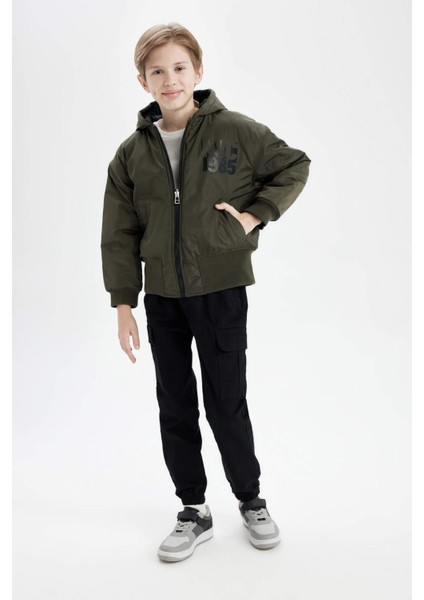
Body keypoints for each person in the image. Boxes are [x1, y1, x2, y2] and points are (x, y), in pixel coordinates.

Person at [101, 22, 311, 563]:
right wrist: (123, 302)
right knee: (175, 403)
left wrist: (252, 217)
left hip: (220, 288)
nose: (169, 80)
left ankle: (251, 499)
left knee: (226, 400)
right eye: (157, 71)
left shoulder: (235, 131)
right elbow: (120, 232)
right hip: (162, 297)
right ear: (143, 81)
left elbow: (294, 164)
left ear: (197, 71)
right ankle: (193, 509)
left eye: (179, 68)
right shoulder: (131, 154)